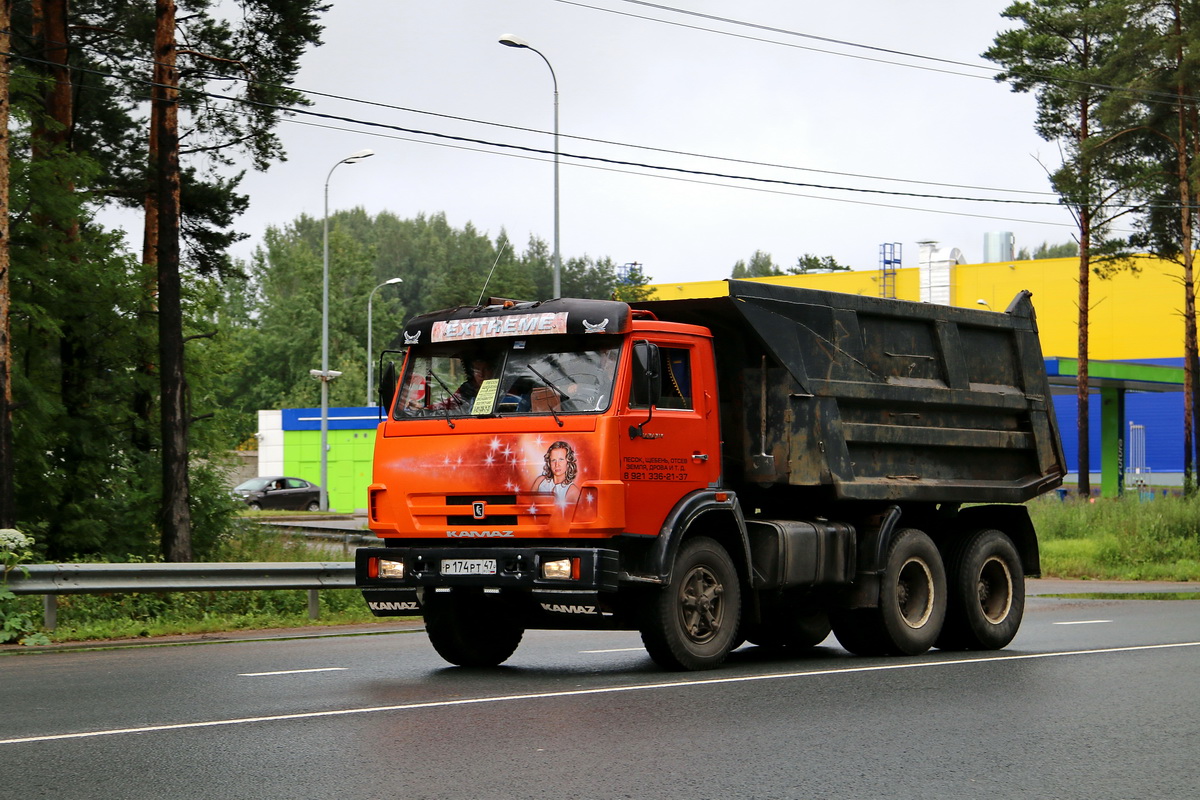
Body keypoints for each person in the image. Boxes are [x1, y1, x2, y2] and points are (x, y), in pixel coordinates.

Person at [530, 440, 581, 505]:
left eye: (561, 460)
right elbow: (528, 506)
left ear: (568, 462)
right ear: (549, 463)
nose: (557, 464)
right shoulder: (540, 481)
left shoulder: (573, 492)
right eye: (553, 460)